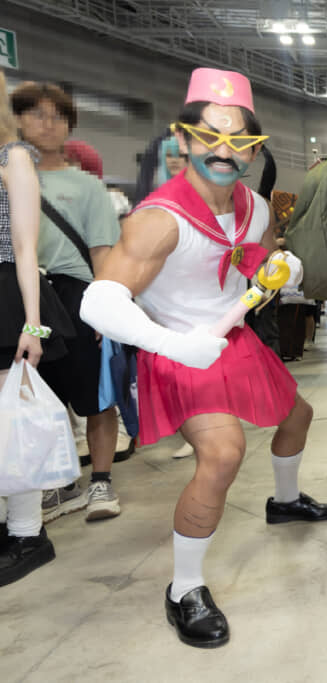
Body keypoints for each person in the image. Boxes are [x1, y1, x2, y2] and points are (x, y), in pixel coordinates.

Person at [79, 68, 327, 648]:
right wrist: (172, 344)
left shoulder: (256, 207)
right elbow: (98, 301)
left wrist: (282, 269)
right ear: (184, 139)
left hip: (233, 340)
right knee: (222, 454)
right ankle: (184, 589)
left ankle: (285, 502)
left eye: (239, 140)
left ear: (253, 149)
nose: (224, 152)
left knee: (298, 418)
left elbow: (254, 261)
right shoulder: (159, 220)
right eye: (209, 137)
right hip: (177, 347)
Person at [11, 82, 122, 523]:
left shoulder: (87, 186)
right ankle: (60, 482)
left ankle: (101, 480)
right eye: (36, 114)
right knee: (40, 399)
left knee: (95, 395)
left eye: (58, 116)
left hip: (77, 294)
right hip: (25, 297)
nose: (48, 124)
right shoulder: (8, 176)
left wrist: (105, 312)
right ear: (17, 120)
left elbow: (102, 253)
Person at [0, 70, 74, 587]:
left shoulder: (14, 157)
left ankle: (27, 532)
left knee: (13, 422)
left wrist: (34, 327)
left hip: (9, 296)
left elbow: (27, 247)